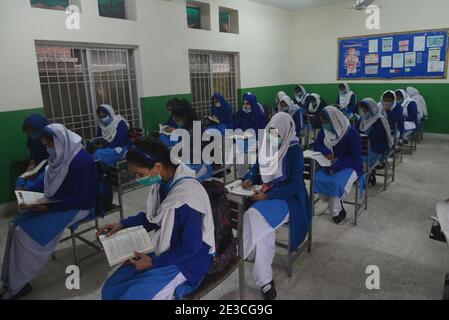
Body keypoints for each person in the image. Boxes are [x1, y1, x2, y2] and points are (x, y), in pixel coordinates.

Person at [99, 138, 215, 300]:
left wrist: (154, 263)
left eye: (140, 174)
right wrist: (122, 224)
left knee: (132, 296)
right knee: (111, 288)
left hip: (186, 263)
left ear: (158, 167)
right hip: (167, 250)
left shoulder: (187, 198)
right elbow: (153, 218)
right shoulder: (164, 184)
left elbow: (191, 247)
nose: (138, 179)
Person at [1, 124, 98, 300]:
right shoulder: (59, 156)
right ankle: (9, 280)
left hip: (79, 207)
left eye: (49, 145)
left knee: (25, 235)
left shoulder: (81, 160)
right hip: (58, 201)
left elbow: (80, 197)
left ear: (60, 142)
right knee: (14, 227)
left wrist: (48, 207)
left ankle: (19, 284)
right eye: (45, 146)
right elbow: (46, 180)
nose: (48, 149)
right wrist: (26, 196)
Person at [241, 112, 311, 300]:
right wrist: (249, 179)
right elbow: (257, 170)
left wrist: (270, 194)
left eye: (278, 135)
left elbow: (296, 184)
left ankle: (236, 256)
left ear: (287, 133)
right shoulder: (266, 144)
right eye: (271, 133)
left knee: (253, 217)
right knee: (262, 227)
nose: (273, 138)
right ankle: (264, 280)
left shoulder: (294, 151)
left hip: (289, 199)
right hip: (266, 194)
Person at [313, 106, 363, 224]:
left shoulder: (351, 133)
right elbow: (317, 144)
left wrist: (335, 167)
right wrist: (326, 152)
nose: (324, 125)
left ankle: (335, 210)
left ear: (334, 120)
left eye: (326, 122)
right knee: (315, 179)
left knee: (336, 183)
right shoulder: (324, 131)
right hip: (329, 164)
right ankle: (335, 203)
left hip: (350, 165)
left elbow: (356, 158)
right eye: (323, 122)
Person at [358, 98, 393, 186]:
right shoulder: (362, 118)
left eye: (366, 111)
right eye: (362, 111)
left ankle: (366, 175)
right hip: (364, 143)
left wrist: (365, 137)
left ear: (372, 109)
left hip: (378, 146)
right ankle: (366, 174)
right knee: (354, 155)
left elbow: (379, 137)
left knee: (365, 161)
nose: (364, 113)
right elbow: (356, 130)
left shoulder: (380, 120)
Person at [15, 114, 49, 190]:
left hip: (50, 167)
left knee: (31, 186)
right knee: (19, 182)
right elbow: (33, 154)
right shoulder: (31, 140)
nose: (31, 135)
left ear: (41, 129)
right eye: (28, 133)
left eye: (33, 133)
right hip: (37, 167)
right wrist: (32, 163)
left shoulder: (50, 138)